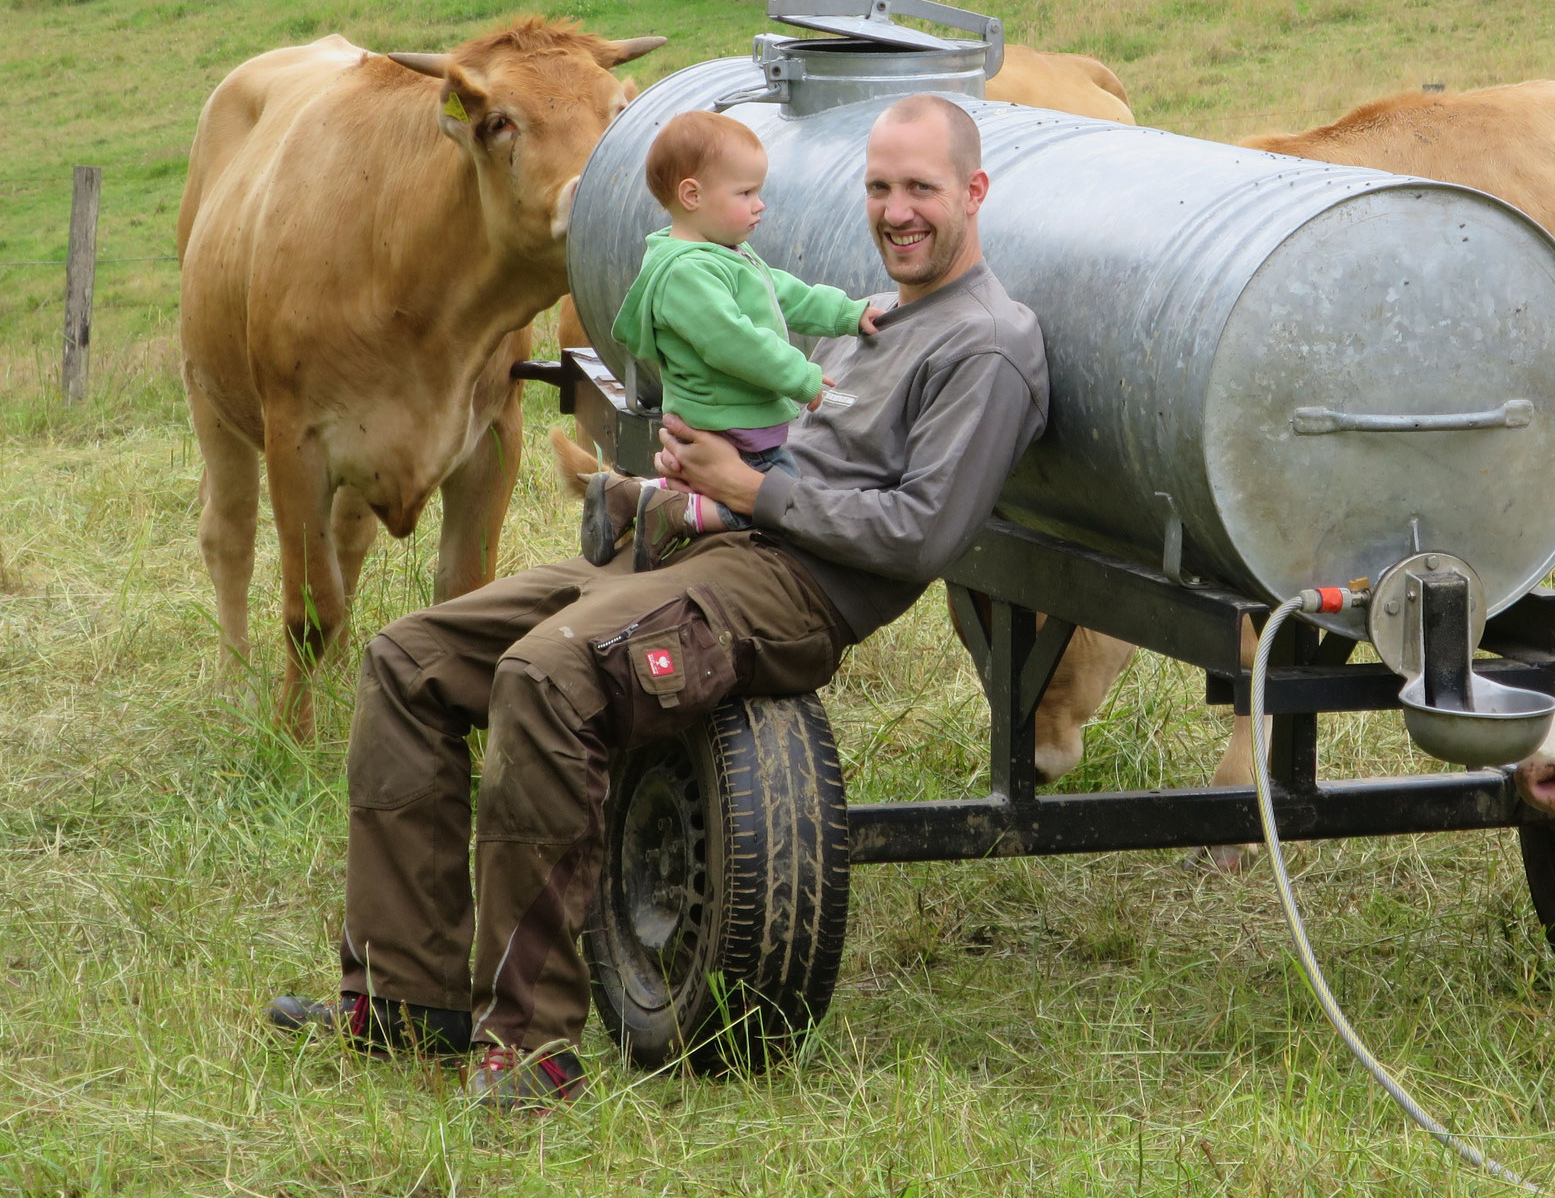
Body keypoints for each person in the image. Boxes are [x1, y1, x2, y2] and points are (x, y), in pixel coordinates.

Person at [264, 94, 1049, 1108]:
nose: (896, 211)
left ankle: (530, 1047)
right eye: (879, 187)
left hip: (787, 583)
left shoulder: (986, 345)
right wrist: (656, 471)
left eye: (920, 190)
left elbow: (922, 534)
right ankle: (406, 1000)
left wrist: (751, 490)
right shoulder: (873, 316)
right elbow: (750, 407)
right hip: (685, 543)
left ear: (973, 193)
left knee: (546, 676)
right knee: (411, 656)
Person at [581, 109, 884, 572]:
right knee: (773, 496)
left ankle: (625, 496)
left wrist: (846, 313)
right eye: (745, 193)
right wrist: (801, 378)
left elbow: (783, 294)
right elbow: (733, 342)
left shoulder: (723, 256)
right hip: (726, 424)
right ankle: (669, 515)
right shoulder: (686, 273)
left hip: (738, 422)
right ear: (692, 195)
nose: (759, 204)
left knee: (767, 489)